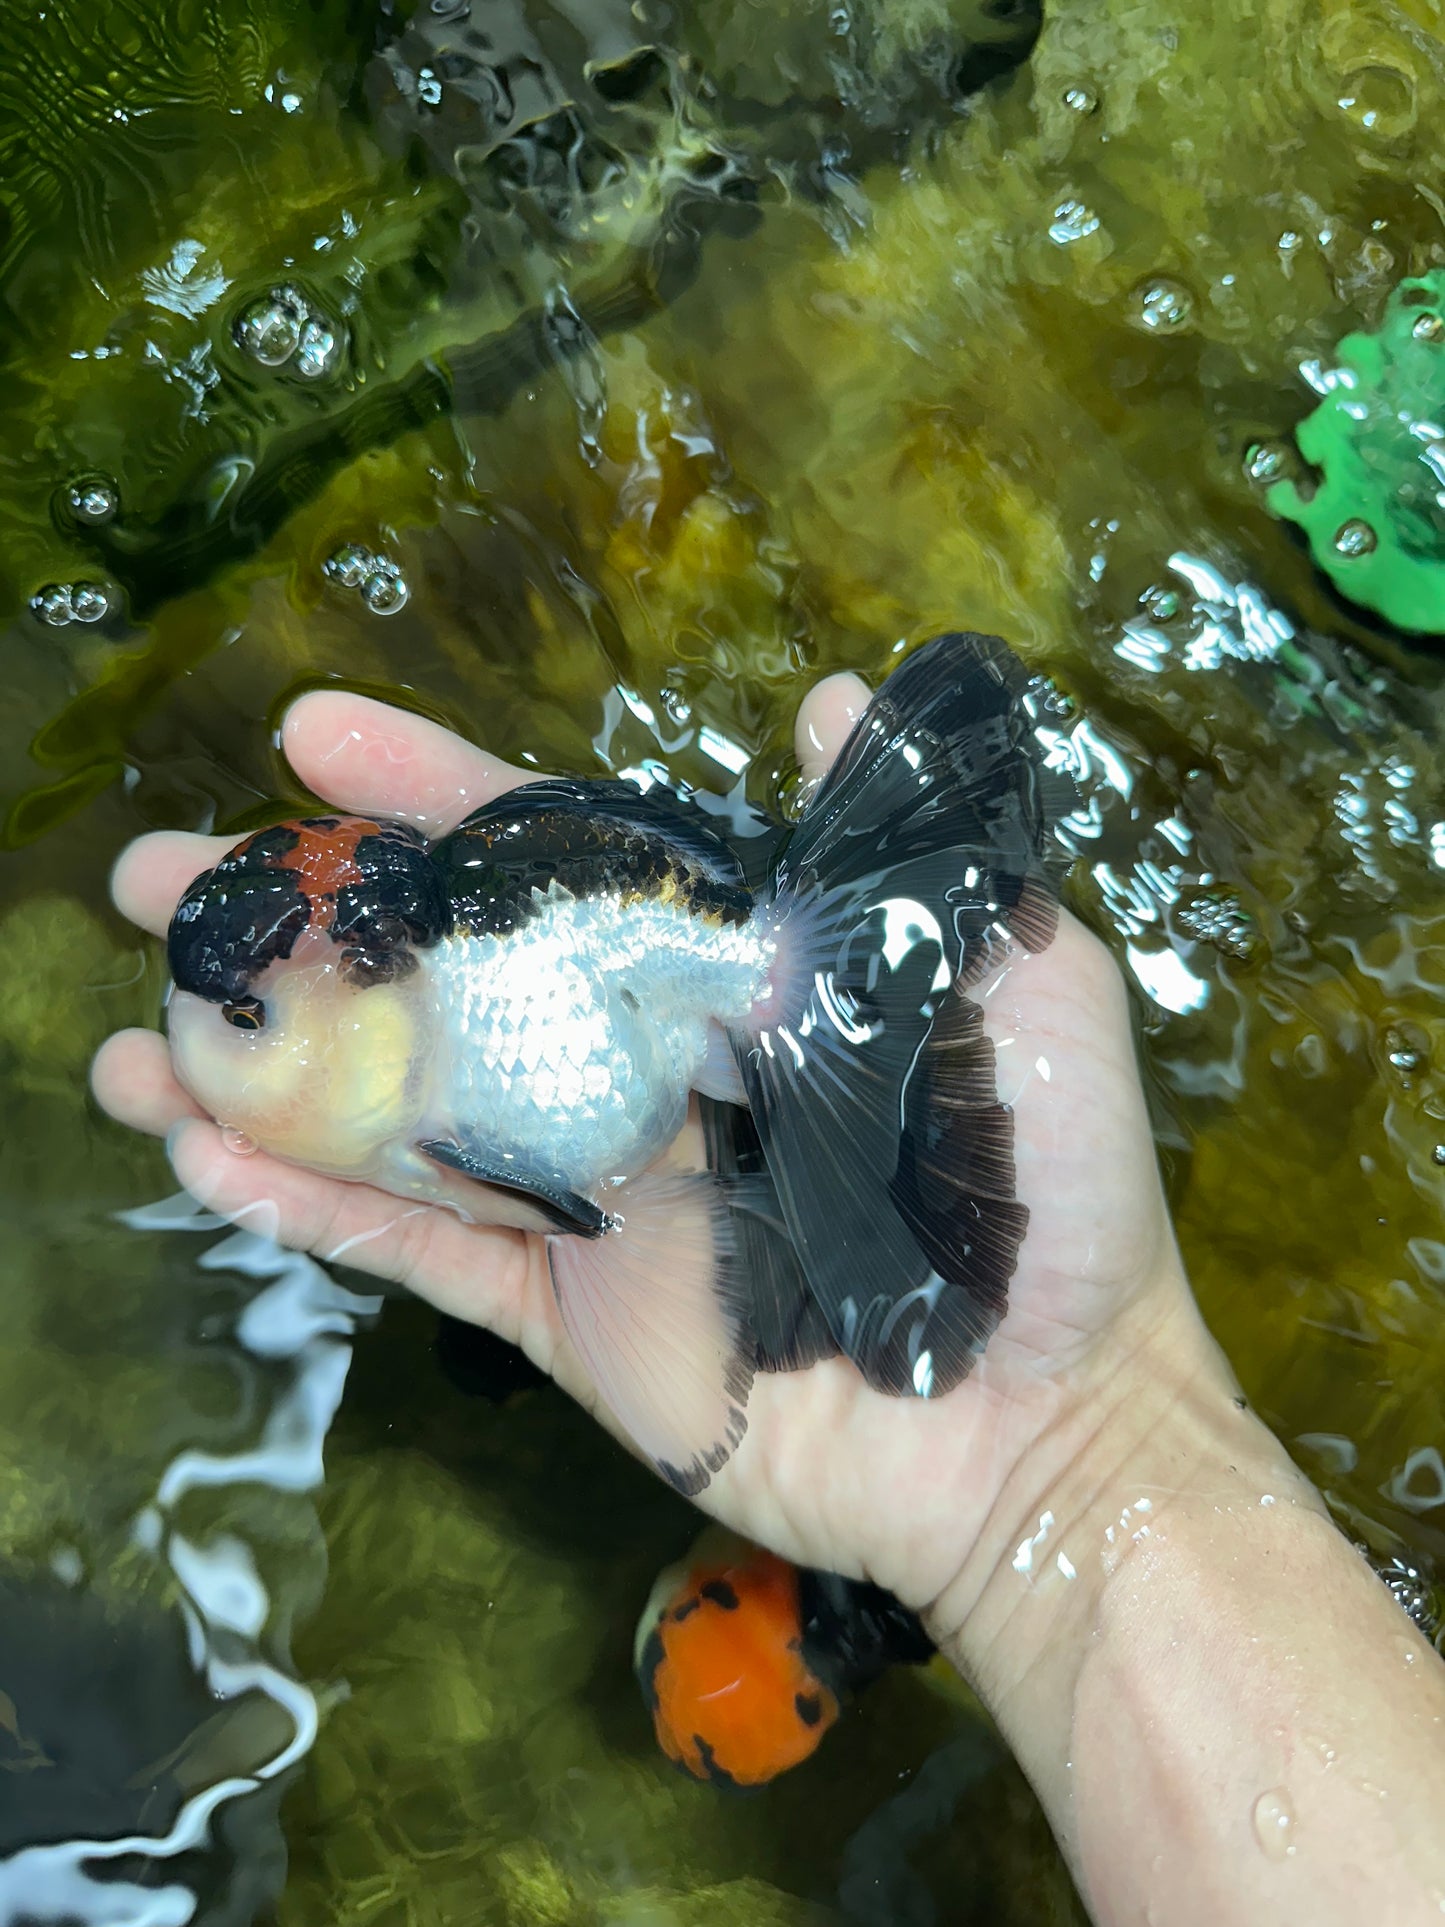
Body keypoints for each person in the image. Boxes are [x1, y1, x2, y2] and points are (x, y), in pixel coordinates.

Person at [93, 675, 1445, 1925]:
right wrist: (1074, 1483)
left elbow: (589, 1215)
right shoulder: (426, 1017)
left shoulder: (467, 1074)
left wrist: (1073, 1459)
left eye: (250, 1021)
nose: (210, 1042)